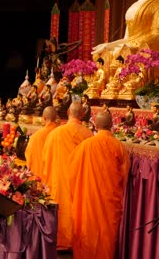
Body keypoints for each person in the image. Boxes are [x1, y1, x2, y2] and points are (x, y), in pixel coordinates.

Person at [69, 112, 130, 259]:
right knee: (106, 238)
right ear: (112, 125)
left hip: (87, 201)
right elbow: (124, 178)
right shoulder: (119, 147)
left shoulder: (84, 146)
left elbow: (72, 174)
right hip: (109, 203)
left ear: (95, 126)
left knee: (87, 233)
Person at [41, 102, 93, 250]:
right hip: (79, 180)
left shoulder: (55, 133)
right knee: (77, 207)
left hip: (58, 178)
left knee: (61, 206)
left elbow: (46, 159)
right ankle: (75, 240)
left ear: (68, 112)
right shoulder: (87, 134)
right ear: (82, 115)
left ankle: (60, 239)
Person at [91, 0, 159, 56]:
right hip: (131, 46)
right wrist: (111, 45)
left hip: (146, 50)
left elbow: (158, 36)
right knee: (103, 53)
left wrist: (123, 46)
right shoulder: (134, 5)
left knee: (118, 52)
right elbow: (128, 38)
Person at [24, 106, 58, 179]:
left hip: (39, 179)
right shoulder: (62, 134)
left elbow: (29, 159)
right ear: (56, 118)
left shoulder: (36, 136)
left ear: (44, 118)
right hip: (57, 180)